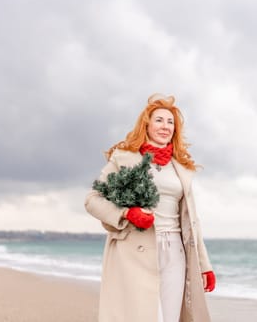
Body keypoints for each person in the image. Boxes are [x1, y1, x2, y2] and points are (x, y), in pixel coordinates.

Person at [85, 93, 216, 322]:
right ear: (146, 124)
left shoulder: (181, 167)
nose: (165, 126)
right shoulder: (124, 157)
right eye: (159, 120)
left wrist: (204, 265)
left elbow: (192, 221)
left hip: (175, 250)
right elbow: (93, 200)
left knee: (169, 317)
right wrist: (127, 213)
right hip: (135, 249)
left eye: (170, 122)